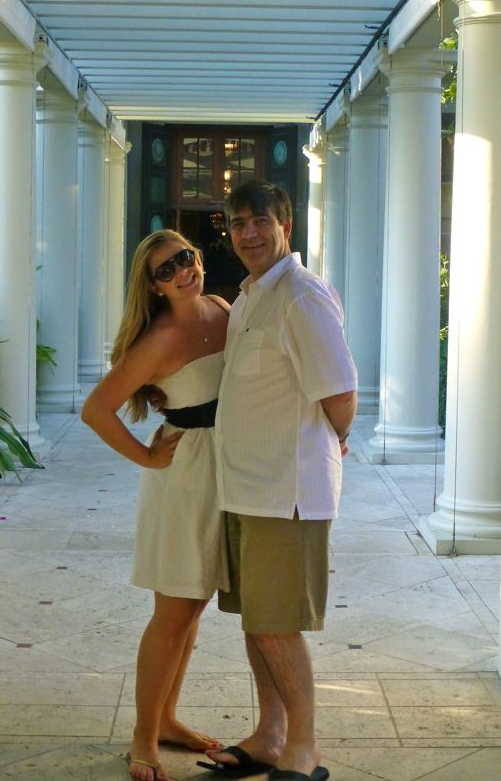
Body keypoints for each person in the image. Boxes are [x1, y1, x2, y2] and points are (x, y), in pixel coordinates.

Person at [199, 181, 357, 781]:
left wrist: (333, 440)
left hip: (284, 492)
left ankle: (304, 749)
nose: (248, 234)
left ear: (285, 223)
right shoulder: (249, 297)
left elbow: (340, 392)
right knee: (258, 622)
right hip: (245, 487)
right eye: (237, 224)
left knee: (276, 624)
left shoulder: (300, 295)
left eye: (259, 221)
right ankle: (269, 736)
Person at [81, 229, 230, 781]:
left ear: (198, 256)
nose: (181, 272)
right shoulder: (160, 339)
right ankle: (144, 736)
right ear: (154, 286)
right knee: (172, 612)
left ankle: (167, 717)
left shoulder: (220, 308)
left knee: (193, 608)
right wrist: (146, 458)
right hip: (185, 477)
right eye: (166, 270)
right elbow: (97, 409)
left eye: (185, 259)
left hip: (226, 469)